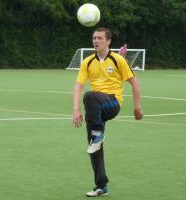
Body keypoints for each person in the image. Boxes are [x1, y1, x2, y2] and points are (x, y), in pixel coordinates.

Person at [72, 28, 143, 197]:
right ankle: (101, 185)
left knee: (90, 96)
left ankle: (97, 135)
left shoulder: (118, 59)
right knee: (93, 147)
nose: (96, 41)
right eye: (94, 38)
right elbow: (78, 86)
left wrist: (137, 107)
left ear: (108, 41)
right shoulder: (88, 62)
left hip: (112, 103)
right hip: (95, 109)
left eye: (100, 38)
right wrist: (75, 110)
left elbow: (134, 83)